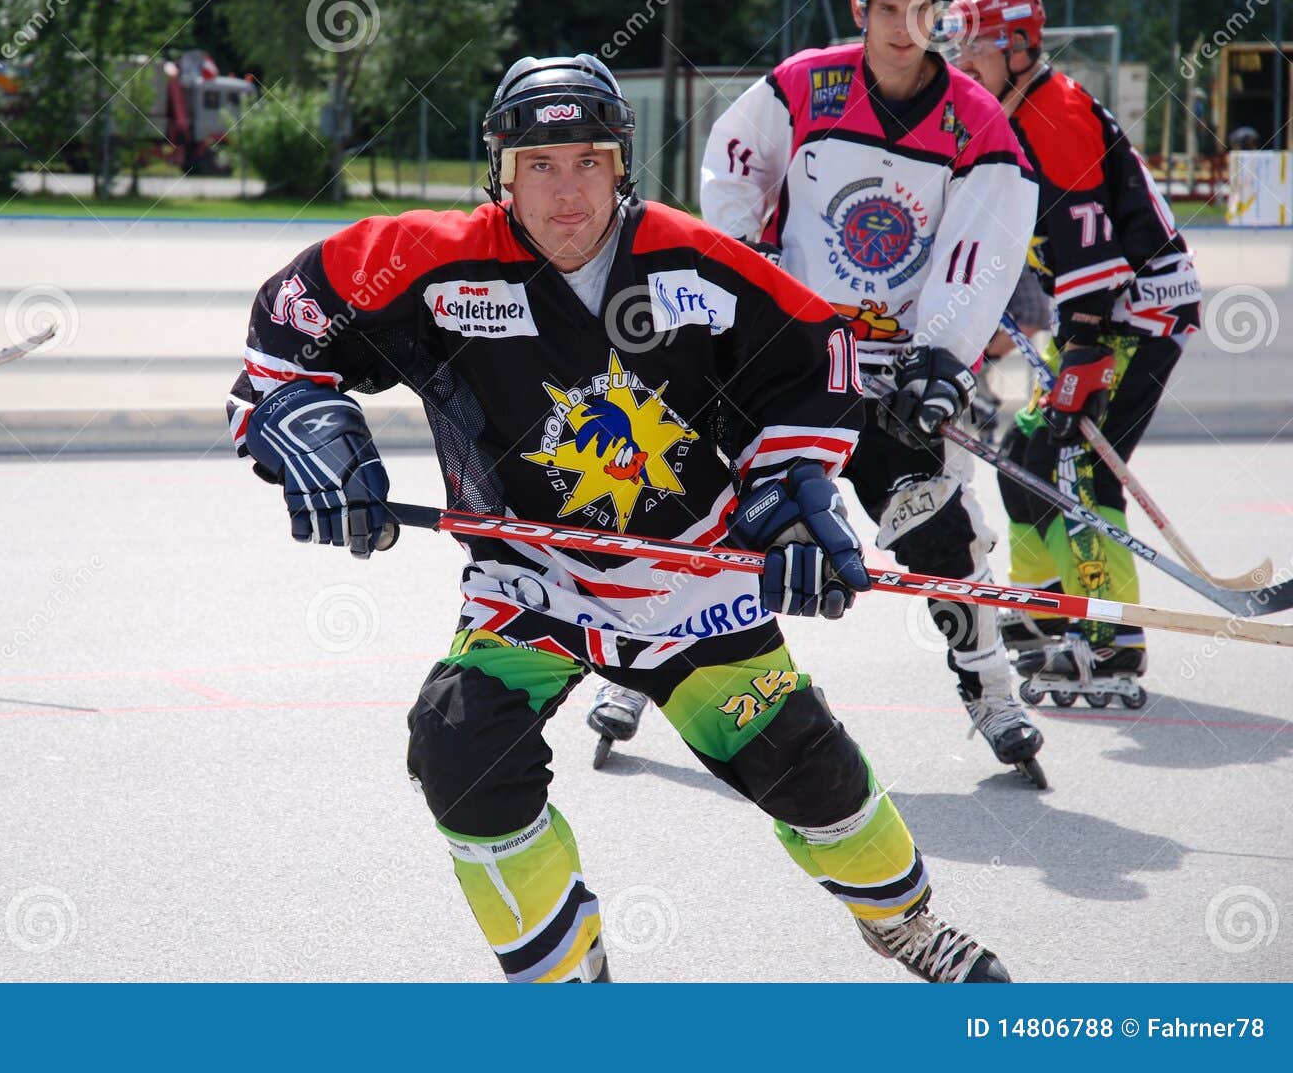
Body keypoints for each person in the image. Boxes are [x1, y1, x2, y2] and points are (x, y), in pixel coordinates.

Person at [227, 52, 1011, 982]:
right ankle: (566, 977)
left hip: (694, 579)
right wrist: (306, 423)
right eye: (541, 168)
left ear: (621, 165)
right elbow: (286, 326)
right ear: (502, 175)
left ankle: (906, 923)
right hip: (530, 581)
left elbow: (819, 363)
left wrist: (789, 503)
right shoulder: (434, 259)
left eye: (589, 162)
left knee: (805, 767)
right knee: (457, 740)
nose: (568, 195)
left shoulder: (692, 260)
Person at [695, 0, 1044, 782]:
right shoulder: (803, 84)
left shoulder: (977, 120)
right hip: (799, 361)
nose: (900, 26)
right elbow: (733, 167)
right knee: (718, 509)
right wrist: (754, 282)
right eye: (884, 9)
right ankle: (644, 683)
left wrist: (941, 355)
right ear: (859, 9)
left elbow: (982, 243)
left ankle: (992, 690)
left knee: (942, 530)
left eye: (918, 9)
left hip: (893, 373)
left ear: (940, 12)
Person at [948, 0, 1200, 703]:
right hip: (1091, 316)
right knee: (1024, 457)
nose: (964, 62)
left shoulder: (1054, 113)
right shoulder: (1014, 112)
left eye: (977, 48)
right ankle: (1042, 616)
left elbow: (1091, 251)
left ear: (1019, 48)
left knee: (1078, 467)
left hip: (1135, 313)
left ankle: (1109, 636)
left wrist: (1083, 354)